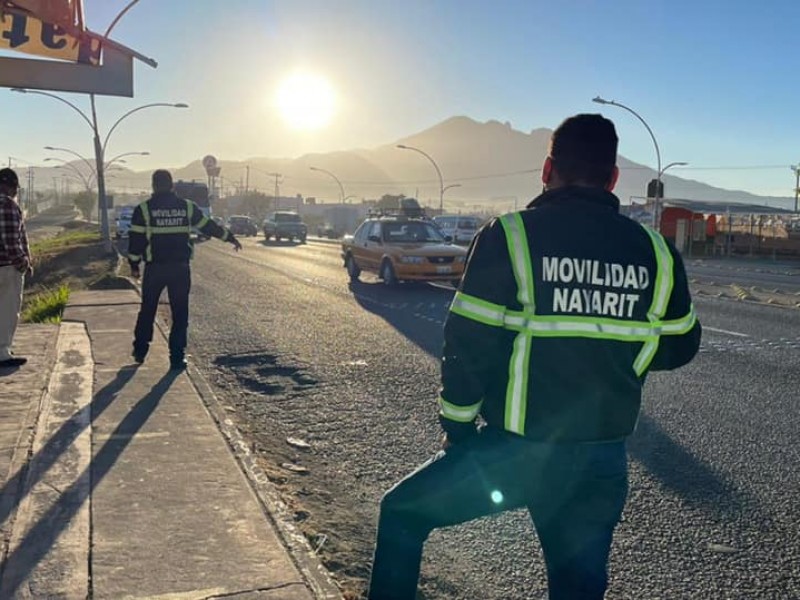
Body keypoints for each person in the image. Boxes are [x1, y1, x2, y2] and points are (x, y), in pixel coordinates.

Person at [367, 114, 702, 600]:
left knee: (402, 512)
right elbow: (680, 344)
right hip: (601, 456)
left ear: (548, 169)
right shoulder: (656, 250)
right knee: (577, 589)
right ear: (612, 178)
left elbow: (468, 343)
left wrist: (458, 428)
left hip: (516, 451)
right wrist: (619, 352)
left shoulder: (512, 235)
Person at [128, 169, 242, 370]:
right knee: (180, 313)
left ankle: (140, 351)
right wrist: (229, 237)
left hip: (154, 269)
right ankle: (177, 358)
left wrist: (134, 265)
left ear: (153, 186)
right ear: (172, 186)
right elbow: (208, 226)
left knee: (147, 310)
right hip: (180, 270)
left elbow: (136, 241)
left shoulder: (144, 209)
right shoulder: (187, 207)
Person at [0, 168, 32, 368]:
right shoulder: (8, 206)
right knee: (7, 310)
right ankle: (2, 352)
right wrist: (23, 263)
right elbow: (11, 240)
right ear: (12, 187)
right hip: (7, 269)